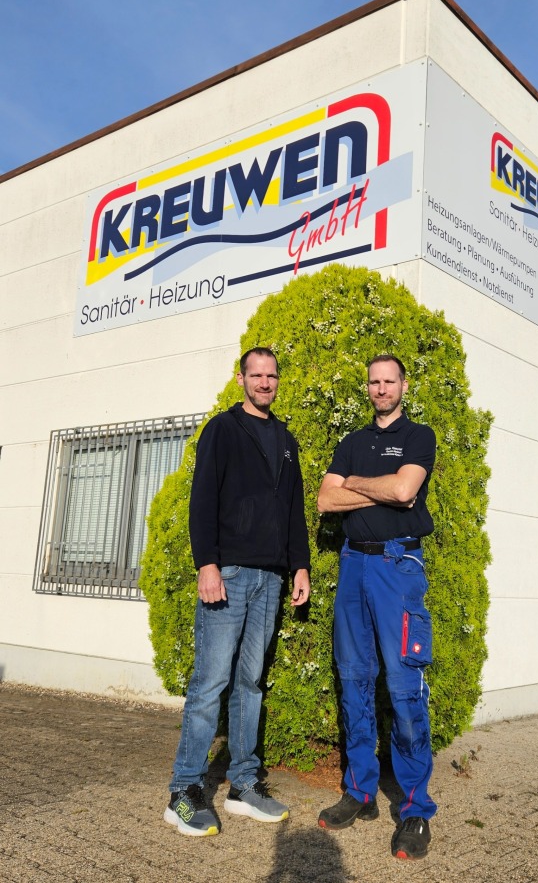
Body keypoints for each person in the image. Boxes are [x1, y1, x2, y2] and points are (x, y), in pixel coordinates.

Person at [164, 347, 310, 836]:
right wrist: (207, 564)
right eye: (256, 375)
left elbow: (293, 509)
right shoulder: (223, 430)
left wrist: (300, 566)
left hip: (270, 579)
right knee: (210, 683)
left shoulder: (286, 440)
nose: (265, 382)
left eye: (272, 376)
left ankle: (243, 786)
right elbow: (202, 499)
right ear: (241, 378)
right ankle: (184, 791)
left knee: (250, 683)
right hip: (227, 574)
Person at [317, 354, 437, 861]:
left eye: (390, 381)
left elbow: (405, 491)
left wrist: (354, 485)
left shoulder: (418, 436)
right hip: (354, 566)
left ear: (403, 385)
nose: (381, 389)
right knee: (354, 680)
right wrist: (378, 490)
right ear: (367, 387)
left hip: (397, 567)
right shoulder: (352, 442)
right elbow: (325, 500)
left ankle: (414, 808)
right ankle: (361, 791)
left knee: (405, 687)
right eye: (374, 382)